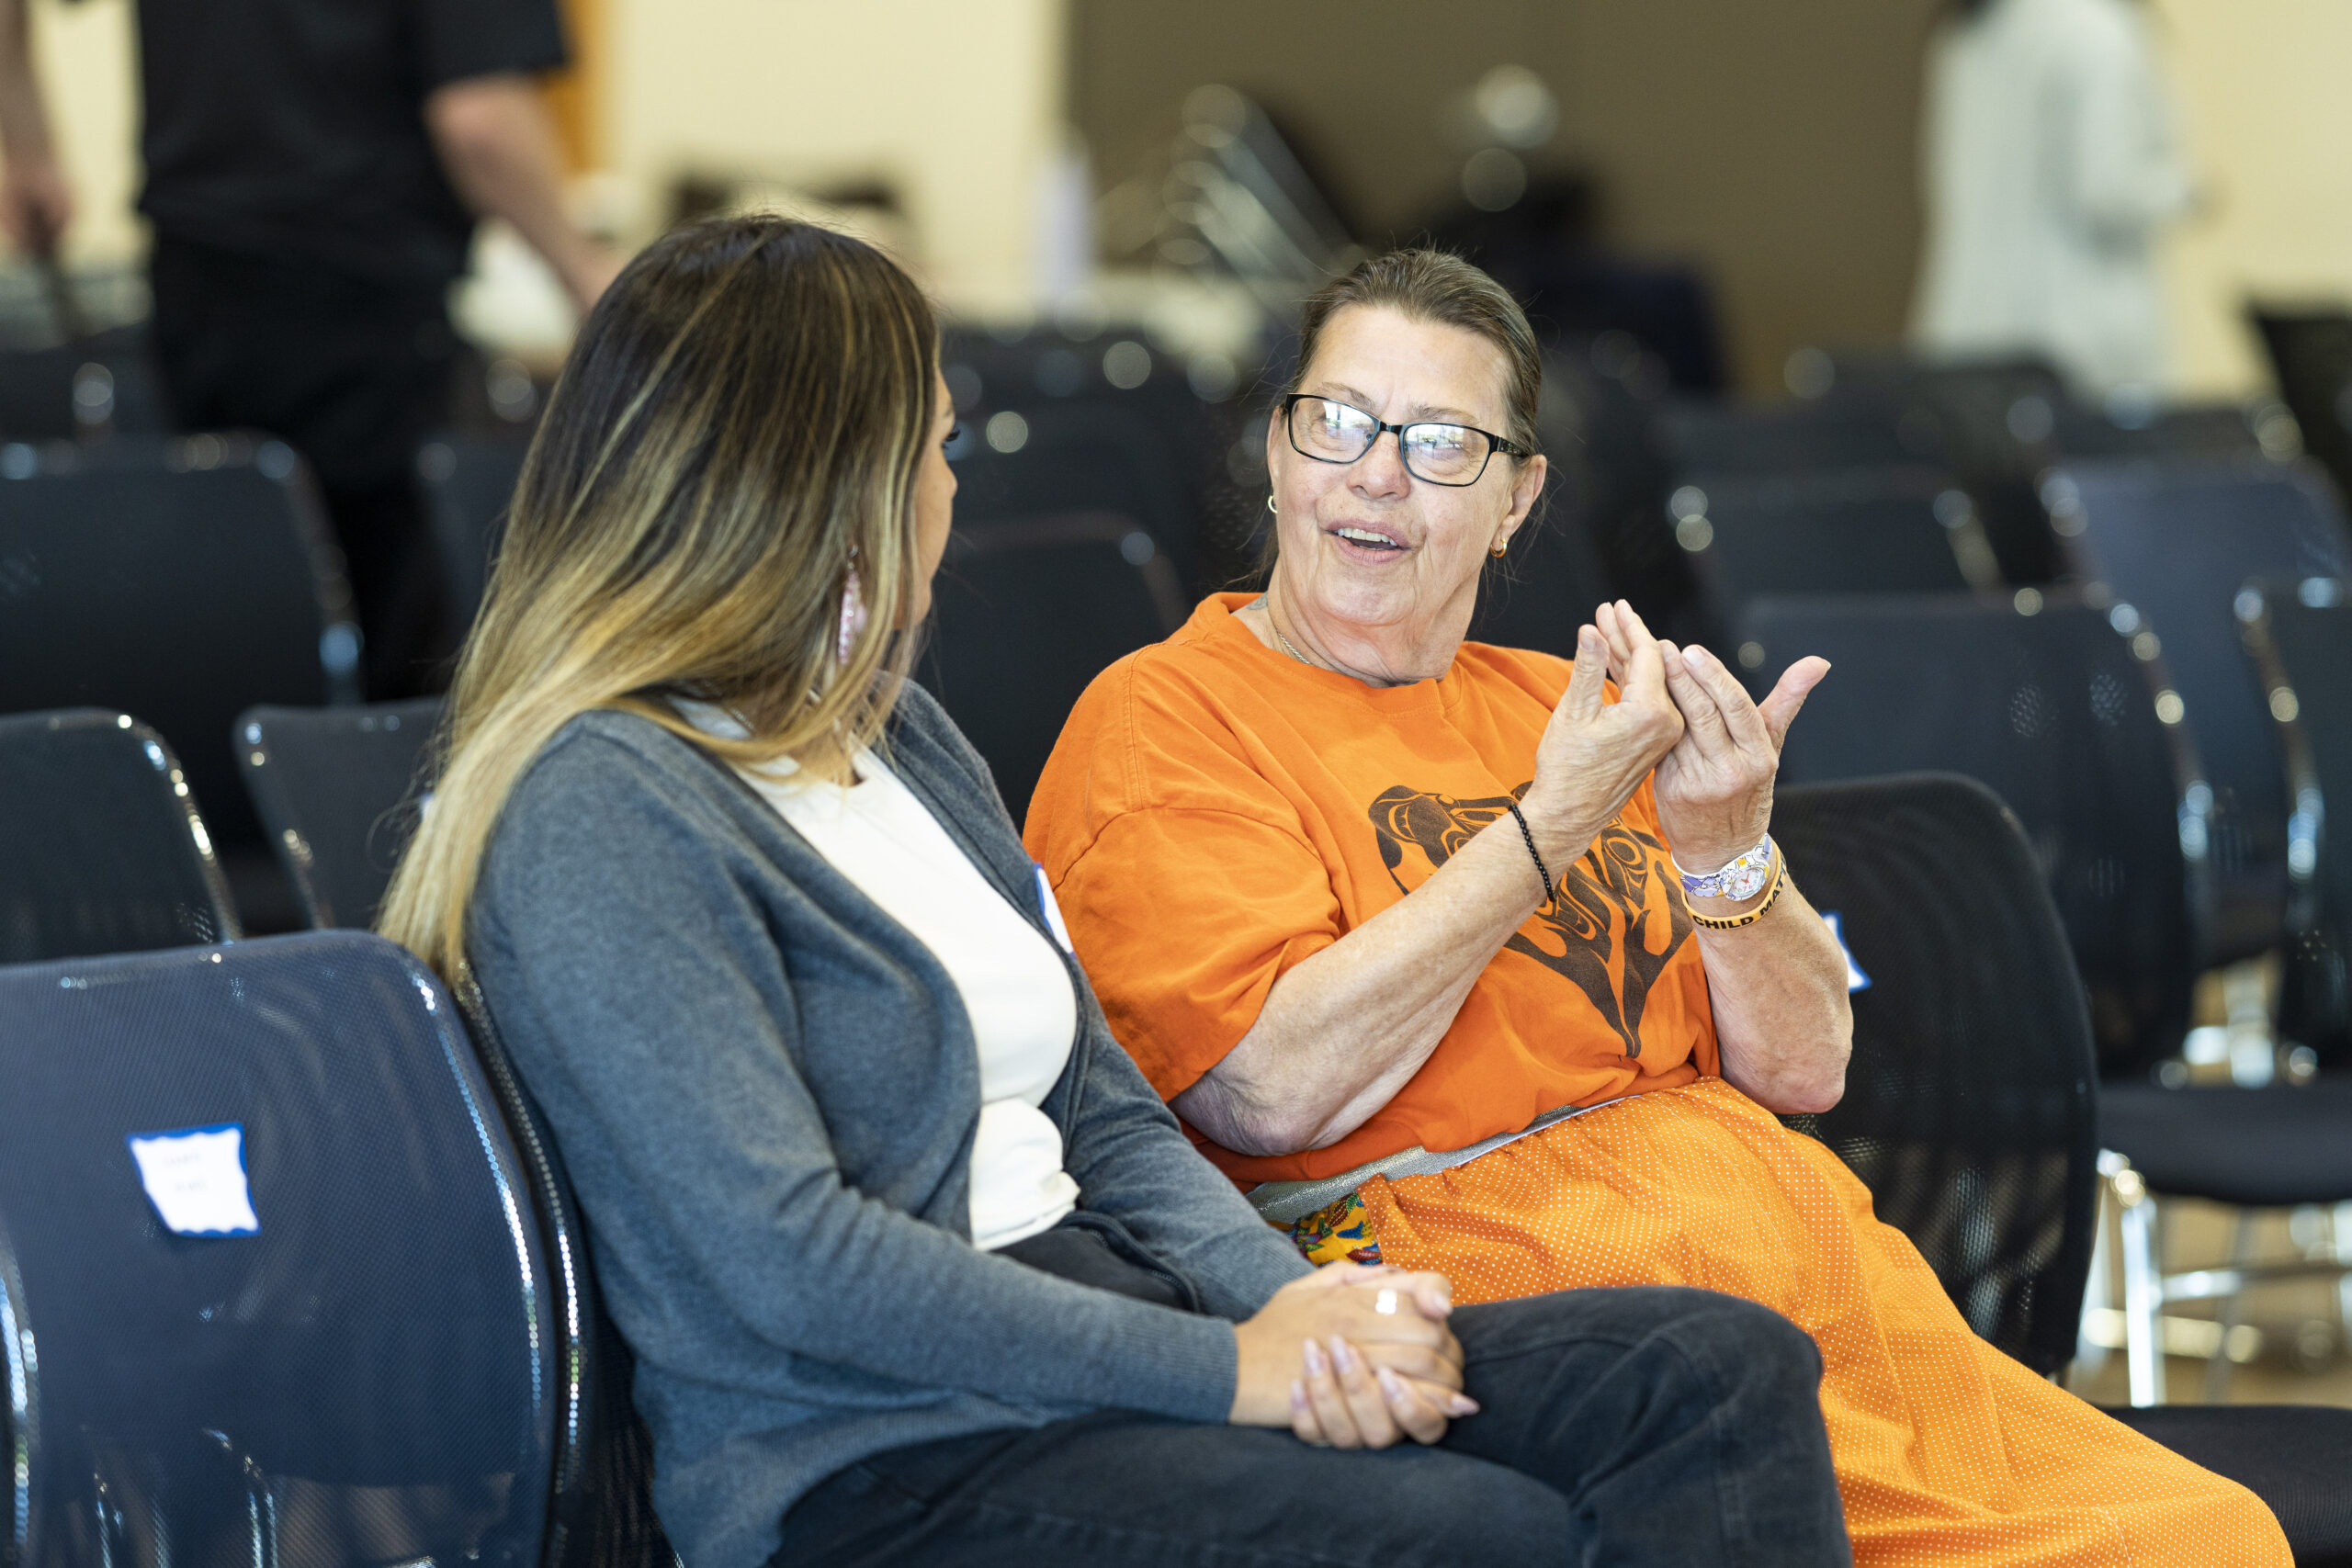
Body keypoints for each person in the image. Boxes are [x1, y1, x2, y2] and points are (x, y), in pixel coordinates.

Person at [374, 217, 1851, 1568]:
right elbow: (793, 1266)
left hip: (1117, 1330)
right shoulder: (601, 807)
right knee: (1480, 1533)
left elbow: (1103, 1107)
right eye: (936, 448)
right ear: (818, 482)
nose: (955, 486)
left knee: (1714, 1371)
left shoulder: (889, 731)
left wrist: (1276, 1303)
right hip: (891, 1457)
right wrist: (1234, 1367)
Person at [1025, 247, 2291, 1566]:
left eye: (1442, 441)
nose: (1377, 475)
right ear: (1278, 452)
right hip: (1527, 1286)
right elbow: (1267, 1090)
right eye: (1337, 422)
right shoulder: (1168, 718)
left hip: (1811, 1267)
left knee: (2207, 1532)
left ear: (1519, 497)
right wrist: (1553, 819)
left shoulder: (1551, 702)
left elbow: (1808, 1062)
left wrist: (1725, 845)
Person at [0, 0, 621, 697]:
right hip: (362, 309)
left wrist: (29, 147)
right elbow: (480, 121)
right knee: (392, 671)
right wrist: (585, 271)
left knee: (233, 636)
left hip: (194, 297)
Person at [1911, 0, 2195, 400]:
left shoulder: (1970, 30)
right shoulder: (2097, 34)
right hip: (2076, 351)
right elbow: (2108, 192)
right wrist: (2186, 190)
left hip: (1968, 332)